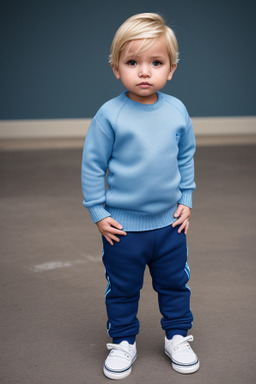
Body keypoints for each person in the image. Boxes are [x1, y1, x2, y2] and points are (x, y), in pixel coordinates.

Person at [81, 12, 199, 379]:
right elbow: (91, 165)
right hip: (123, 229)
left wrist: (187, 200)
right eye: (132, 62)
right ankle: (123, 341)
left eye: (156, 63)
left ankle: (177, 335)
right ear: (117, 68)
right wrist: (98, 212)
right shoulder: (109, 115)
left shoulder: (177, 110)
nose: (144, 71)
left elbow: (185, 157)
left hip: (168, 226)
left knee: (175, 283)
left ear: (172, 69)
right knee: (122, 288)